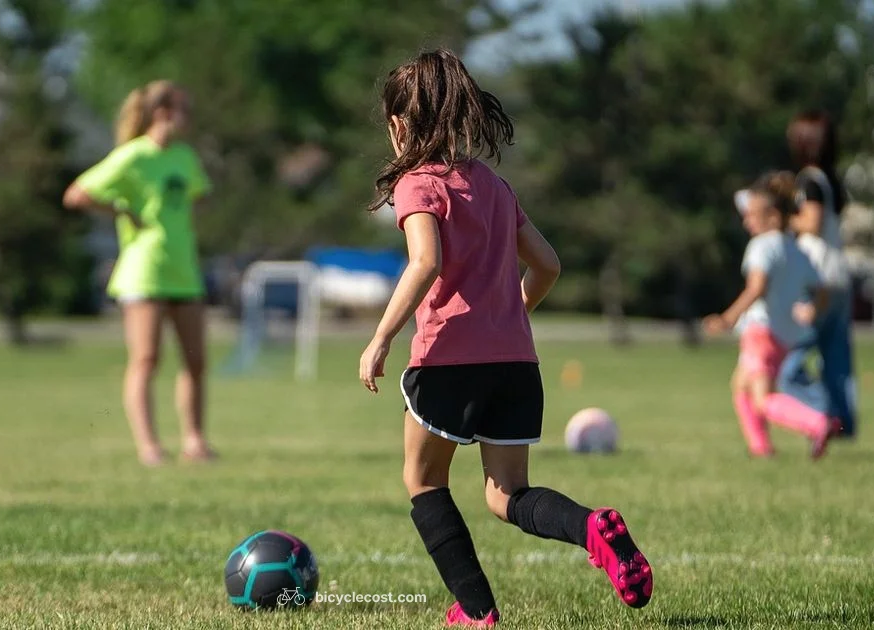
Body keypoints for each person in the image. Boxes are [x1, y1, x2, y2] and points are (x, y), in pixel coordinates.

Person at [357, 49, 652, 627]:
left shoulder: (417, 185)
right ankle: (592, 526)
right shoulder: (491, 183)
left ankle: (476, 613)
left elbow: (424, 262)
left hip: (448, 362)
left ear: (397, 125)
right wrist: (510, 316)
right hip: (516, 363)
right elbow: (548, 264)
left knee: (422, 480)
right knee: (507, 494)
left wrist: (380, 339)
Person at [63, 81, 215, 466]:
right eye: (184, 109)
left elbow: (198, 198)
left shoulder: (184, 156)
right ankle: (149, 446)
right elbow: (76, 194)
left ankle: (194, 442)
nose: (190, 118)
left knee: (195, 361)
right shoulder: (132, 156)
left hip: (184, 269)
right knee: (147, 359)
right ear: (163, 112)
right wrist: (122, 210)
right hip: (143, 271)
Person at [704, 172, 840, 460]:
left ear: (773, 215)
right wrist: (811, 311)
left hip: (760, 331)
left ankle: (817, 423)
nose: (746, 221)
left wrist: (728, 318)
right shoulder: (796, 249)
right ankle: (761, 447)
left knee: (762, 398)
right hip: (784, 336)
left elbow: (757, 287)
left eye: (752, 215)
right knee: (740, 386)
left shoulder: (762, 246)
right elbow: (823, 291)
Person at [787, 111, 858, 439]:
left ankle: (824, 413)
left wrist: (782, 220)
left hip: (814, 276)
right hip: (838, 274)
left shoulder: (809, 180)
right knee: (837, 359)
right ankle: (844, 423)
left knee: (793, 358)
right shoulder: (831, 179)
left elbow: (811, 224)